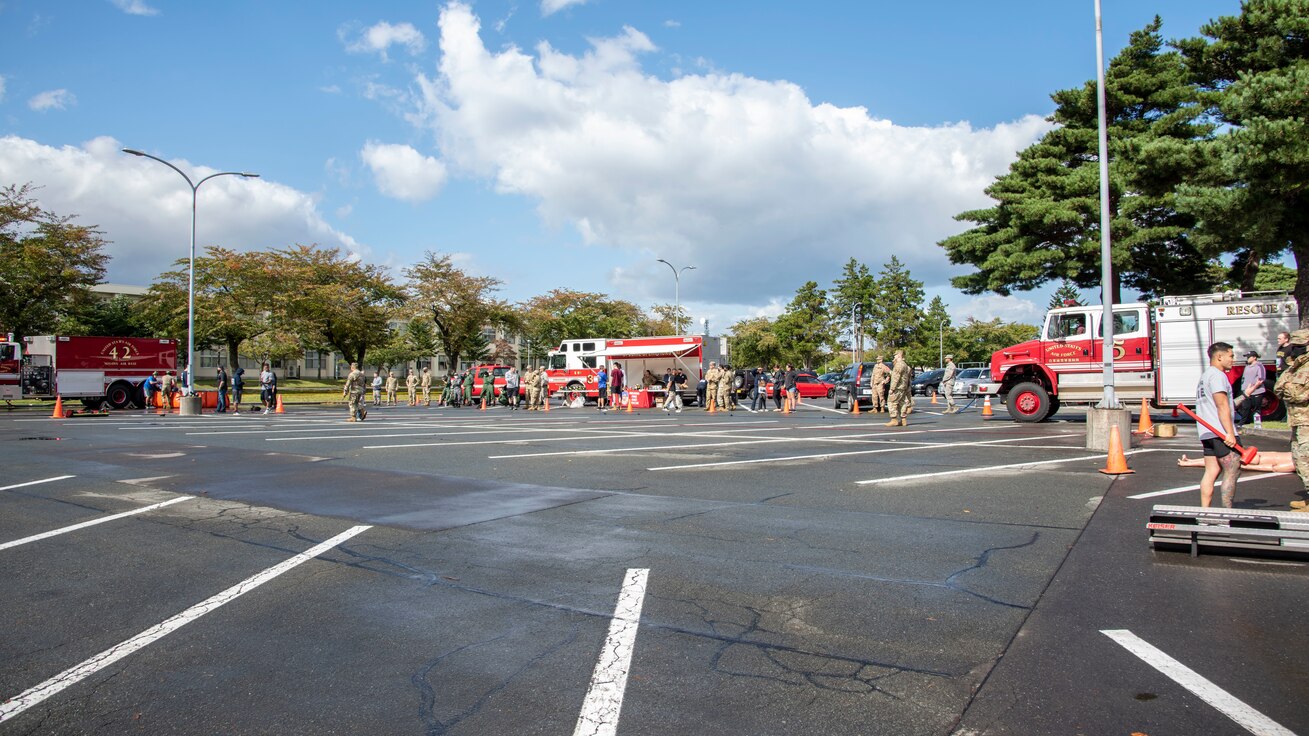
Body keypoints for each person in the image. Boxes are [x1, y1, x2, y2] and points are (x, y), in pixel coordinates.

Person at [1195, 341, 1241, 508]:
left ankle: (1205, 512)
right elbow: (1222, 405)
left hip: (1207, 432)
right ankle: (1227, 514)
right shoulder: (1217, 376)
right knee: (1233, 469)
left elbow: (1224, 404)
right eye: (1231, 356)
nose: (1233, 360)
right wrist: (1229, 433)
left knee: (1211, 471)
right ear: (1219, 356)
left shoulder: (1205, 376)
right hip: (1220, 432)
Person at [1274, 329, 1309, 512]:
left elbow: (1300, 395)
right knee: (1299, 459)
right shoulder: (1295, 367)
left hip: (1307, 422)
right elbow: (1278, 388)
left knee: (1307, 459)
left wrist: (1291, 390)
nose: (1295, 350)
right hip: (1297, 421)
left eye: (1299, 346)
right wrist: (1290, 389)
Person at [1177, 451, 1293, 473]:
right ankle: (1190, 460)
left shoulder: (1297, 464)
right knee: (1220, 458)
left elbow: (1274, 468)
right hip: (1255, 454)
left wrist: (1245, 467)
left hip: (1254, 460)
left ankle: (1188, 463)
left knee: (1220, 461)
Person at [885, 350, 911, 427]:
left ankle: (894, 420)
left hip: (897, 388)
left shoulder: (899, 365)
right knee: (901, 403)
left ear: (899, 355)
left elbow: (896, 378)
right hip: (903, 387)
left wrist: (892, 389)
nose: (894, 357)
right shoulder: (905, 365)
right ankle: (903, 420)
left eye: (895, 355)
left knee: (891, 402)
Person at [1239, 351, 1266, 425]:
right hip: (1246, 391)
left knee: (1256, 409)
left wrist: (1254, 387)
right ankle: (1242, 422)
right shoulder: (1247, 366)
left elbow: (1262, 379)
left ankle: (1257, 424)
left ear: (1254, 357)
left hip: (1257, 391)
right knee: (1245, 407)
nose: (1247, 358)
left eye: (1249, 357)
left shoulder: (1259, 366)